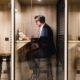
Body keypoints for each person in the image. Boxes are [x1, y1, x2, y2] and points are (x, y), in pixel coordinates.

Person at [20, 15, 56, 80]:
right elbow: (42, 39)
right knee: (29, 54)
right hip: (45, 49)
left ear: (41, 21)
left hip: (46, 51)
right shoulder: (44, 27)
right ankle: (36, 71)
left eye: (37, 21)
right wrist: (31, 37)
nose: (36, 23)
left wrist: (28, 38)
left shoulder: (45, 28)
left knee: (28, 55)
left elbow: (42, 40)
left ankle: (35, 72)